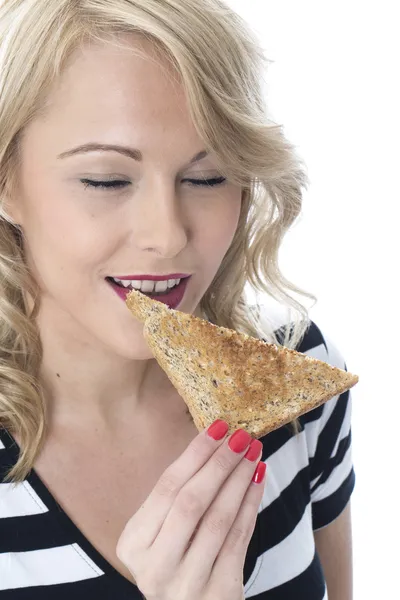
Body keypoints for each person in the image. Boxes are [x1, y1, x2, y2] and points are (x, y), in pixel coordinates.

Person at [0, 1, 355, 598]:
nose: (166, 236)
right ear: (7, 180)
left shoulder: (296, 383)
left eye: (207, 177)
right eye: (106, 180)